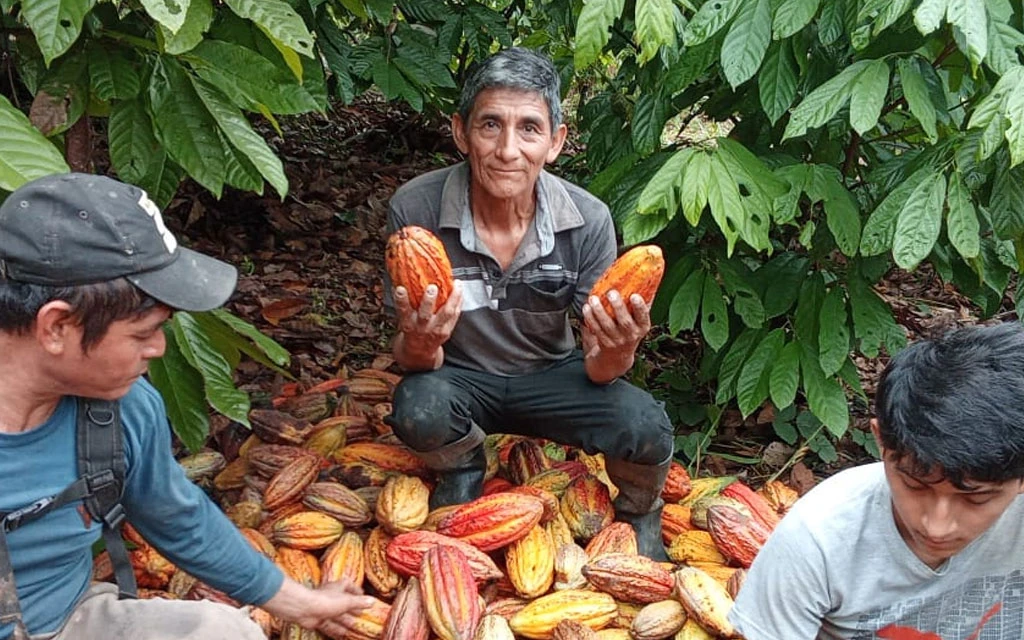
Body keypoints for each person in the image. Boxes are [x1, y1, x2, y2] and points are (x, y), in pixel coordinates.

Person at [0, 173, 376, 640]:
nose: (159, 349)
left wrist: (303, 604)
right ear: (57, 326)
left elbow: (178, 518)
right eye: (142, 333)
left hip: (66, 622)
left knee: (222, 632)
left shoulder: (123, 411)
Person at [382, 47, 674, 560]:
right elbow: (411, 359)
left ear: (555, 142)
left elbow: (601, 370)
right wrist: (422, 340)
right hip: (460, 377)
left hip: (551, 377)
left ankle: (640, 510)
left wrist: (620, 347)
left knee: (645, 425)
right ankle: (463, 467)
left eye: (529, 129)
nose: (507, 150)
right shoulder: (416, 208)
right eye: (490, 125)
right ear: (460, 132)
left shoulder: (587, 219)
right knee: (418, 408)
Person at [729, 323, 1024, 639]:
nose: (937, 527)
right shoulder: (818, 538)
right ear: (880, 441)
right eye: (915, 485)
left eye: (976, 498)